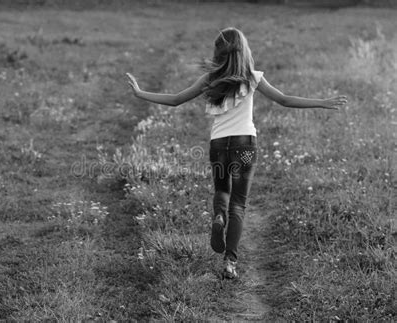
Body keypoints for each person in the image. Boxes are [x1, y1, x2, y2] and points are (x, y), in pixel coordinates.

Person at [126, 27, 347, 279]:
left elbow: (176, 99)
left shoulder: (210, 79)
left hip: (219, 146)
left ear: (218, 52)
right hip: (244, 147)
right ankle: (230, 262)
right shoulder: (252, 77)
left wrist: (141, 93)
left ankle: (218, 216)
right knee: (239, 205)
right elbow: (284, 100)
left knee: (222, 191)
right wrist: (322, 102)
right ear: (244, 50)